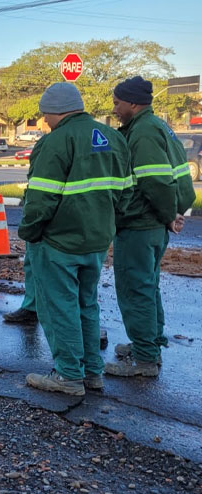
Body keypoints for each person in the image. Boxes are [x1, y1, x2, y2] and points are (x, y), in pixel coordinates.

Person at [20, 82, 132, 396]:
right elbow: (126, 193)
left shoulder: (56, 141)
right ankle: (92, 373)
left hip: (58, 241)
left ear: (55, 111)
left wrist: (29, 232)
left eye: (45, 114)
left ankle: (68, 375)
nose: (44, 121)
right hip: (97, 240)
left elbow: (41, 198)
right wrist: (106, 223)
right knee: (87, 304)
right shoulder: (114, 138)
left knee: (59, 307)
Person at [105, 76, 197, 377]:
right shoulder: (156, 126)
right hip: (153, 223)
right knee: (147, 285)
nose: (115, 109)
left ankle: (144, 359)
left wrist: (169, 214)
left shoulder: (143, 132)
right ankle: (149, 344)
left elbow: (155, 182)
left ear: (133, 103)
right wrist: (171, 214)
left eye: (117, 103)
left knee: (135, 288)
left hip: (140, 223)